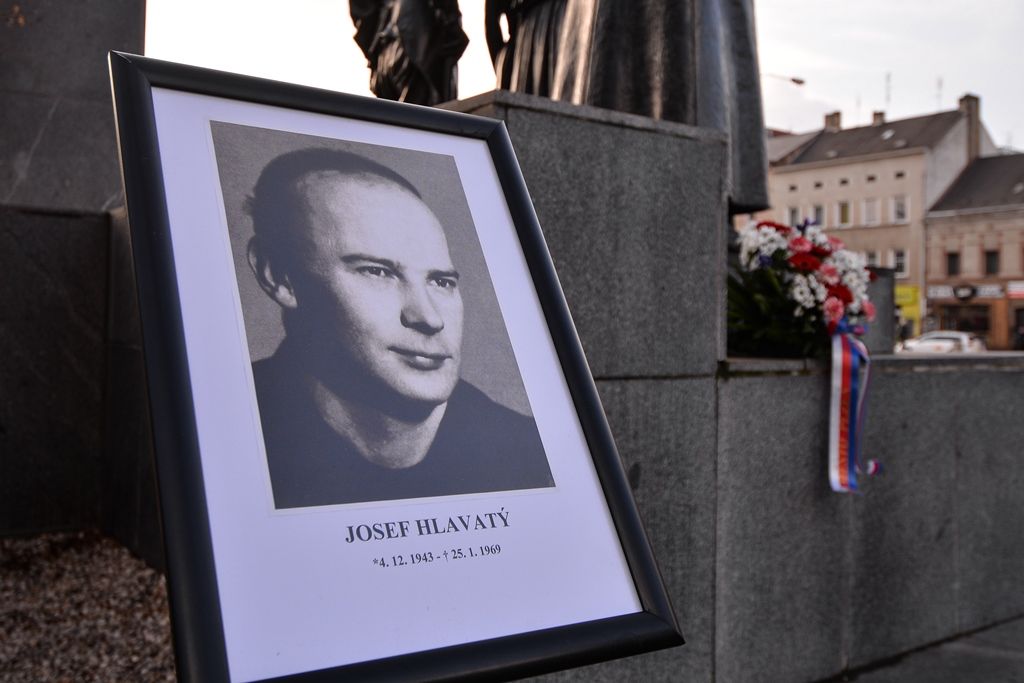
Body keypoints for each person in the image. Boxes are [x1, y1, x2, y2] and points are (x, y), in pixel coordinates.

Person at [245, 148, 553, 508]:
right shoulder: (221, 437)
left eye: (441, 282)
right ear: (278, 276)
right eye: (377, 272)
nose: (429, 318)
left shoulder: (530, 457)